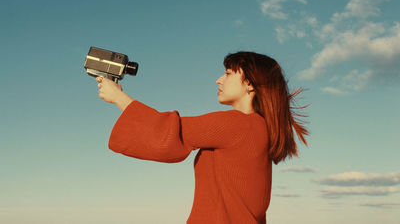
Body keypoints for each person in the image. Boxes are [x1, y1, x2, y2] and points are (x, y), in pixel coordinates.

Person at [96, 51, 309, 224]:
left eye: (227, 73)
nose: (219, 80)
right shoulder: (259, 128)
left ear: (250, 84)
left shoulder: (238, 124)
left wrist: (119, 98)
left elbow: (168, 133)